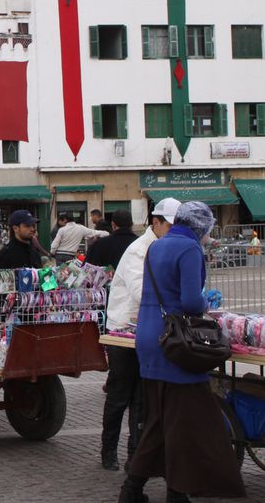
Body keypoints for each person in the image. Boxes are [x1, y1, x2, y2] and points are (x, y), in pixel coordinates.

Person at [118, 202, 246, 502]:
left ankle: (146, 490)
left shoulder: (157, 246)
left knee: (161, 421)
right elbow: (190, 302)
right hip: (175, 345)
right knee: (191, 420)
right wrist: (207, 303)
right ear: (200, 227)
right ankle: (173, 489)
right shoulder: (189, 249)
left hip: (150, 337)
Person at [100, 198, 179, 473]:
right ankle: (108, 450)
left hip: (146, 331)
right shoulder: (138, 251)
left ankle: (136, 457)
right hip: (123, 330)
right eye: (170, 224)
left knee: (141, 399)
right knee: (120, 395)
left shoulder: (166, 247)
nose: (174, 230)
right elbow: (140, 290)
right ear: (156, 223)